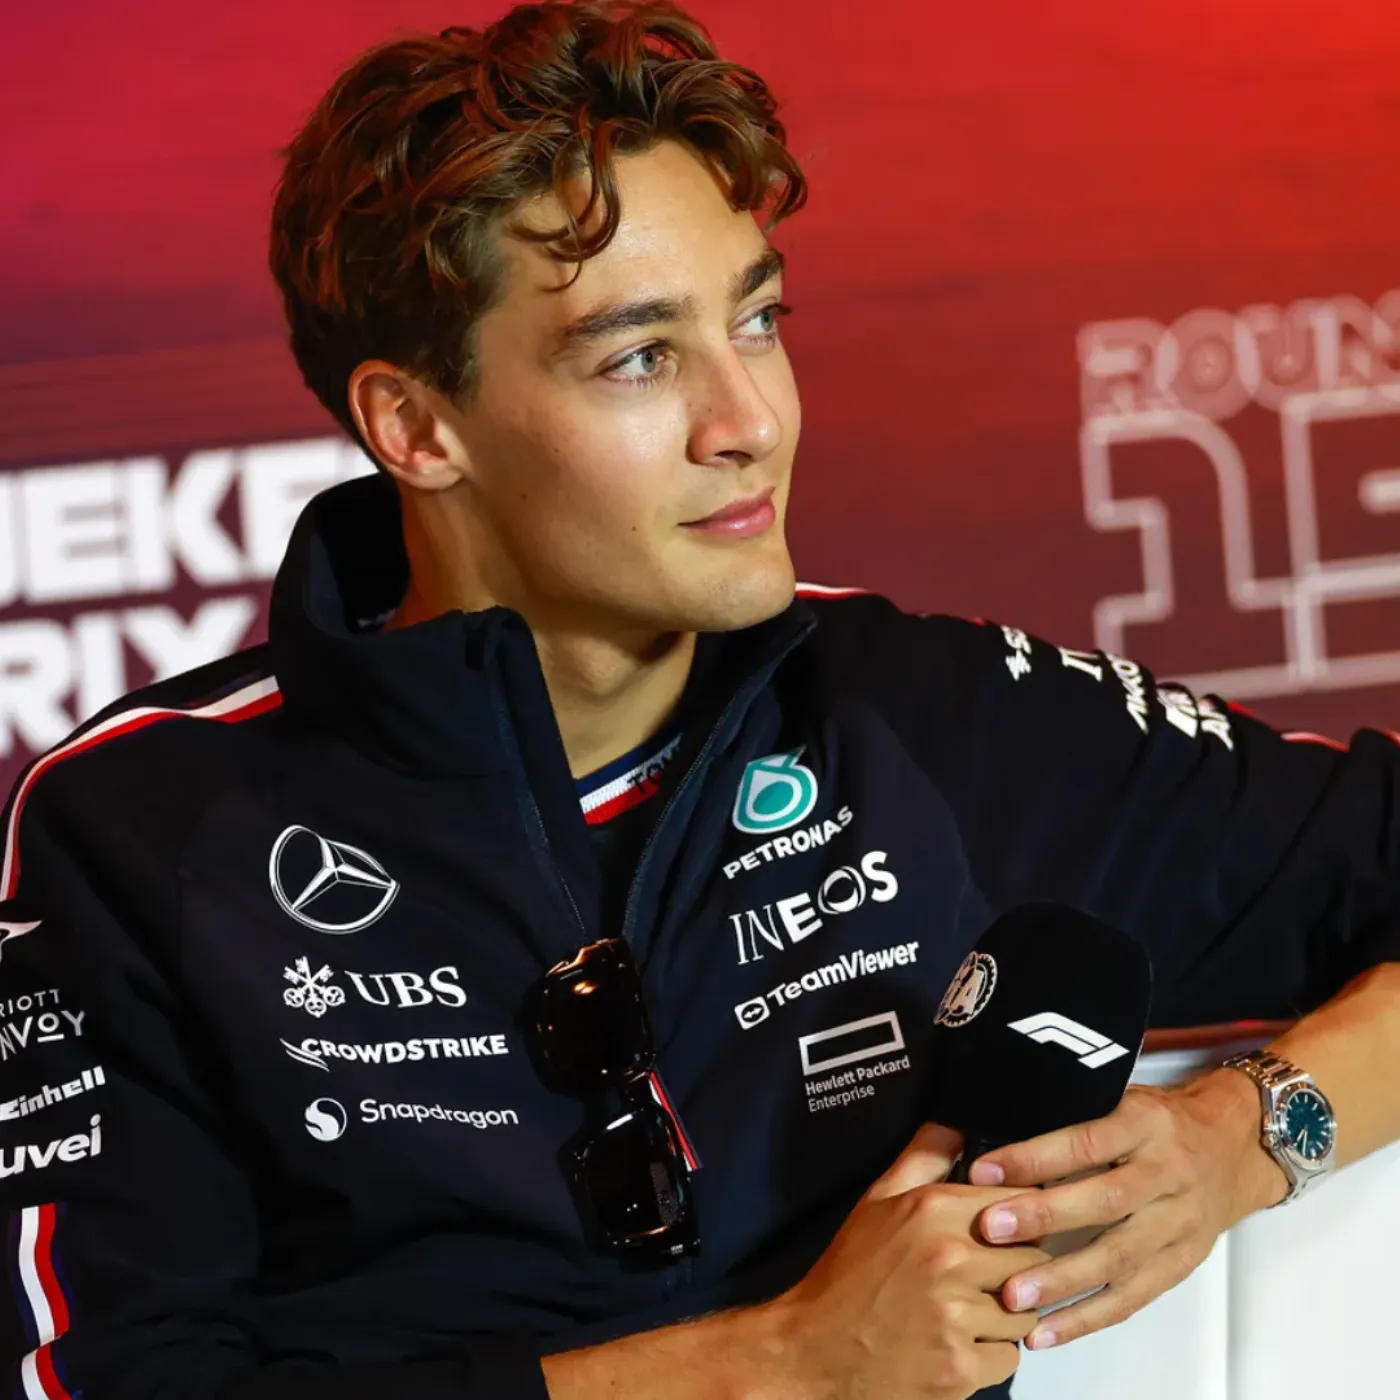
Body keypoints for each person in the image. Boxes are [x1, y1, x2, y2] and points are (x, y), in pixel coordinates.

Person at [1, 2, 1397, 1397]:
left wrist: (1247, 1137)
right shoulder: (138, 832)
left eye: (759, 319)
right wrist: (780, 1364)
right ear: (416, 426)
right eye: (640, 357)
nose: (752, 421)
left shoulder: (922, 713)